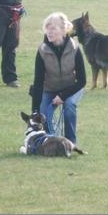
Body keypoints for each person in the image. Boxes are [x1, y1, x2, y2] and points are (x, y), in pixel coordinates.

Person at [31, 12, 86, 144]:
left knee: (69, 106)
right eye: (47, 28)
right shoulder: (42, 50)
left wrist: (62, 96)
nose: (49, 32)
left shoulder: (75, 48)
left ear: (63, 30)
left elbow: (82, 81)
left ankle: (70, 143)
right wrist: (35, 111)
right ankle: (48, 142)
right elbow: (38, 82)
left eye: (53, 28)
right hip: (49, 89)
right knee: (43, 113)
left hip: (72, 88)